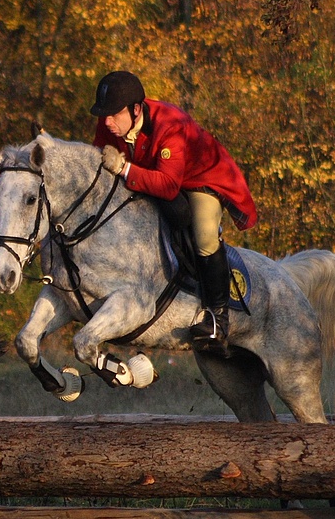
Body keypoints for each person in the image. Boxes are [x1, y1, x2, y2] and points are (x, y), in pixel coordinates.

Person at [90, 70, 257, 356]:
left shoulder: (170, 125)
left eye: (113, 114)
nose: (106, 121)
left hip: (202, 179)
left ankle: (218, 318)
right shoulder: (110, 124)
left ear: (136, 109)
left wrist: (124, 169)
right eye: (104, 114)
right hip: (153, 177)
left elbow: (168, 186)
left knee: (204, 237)